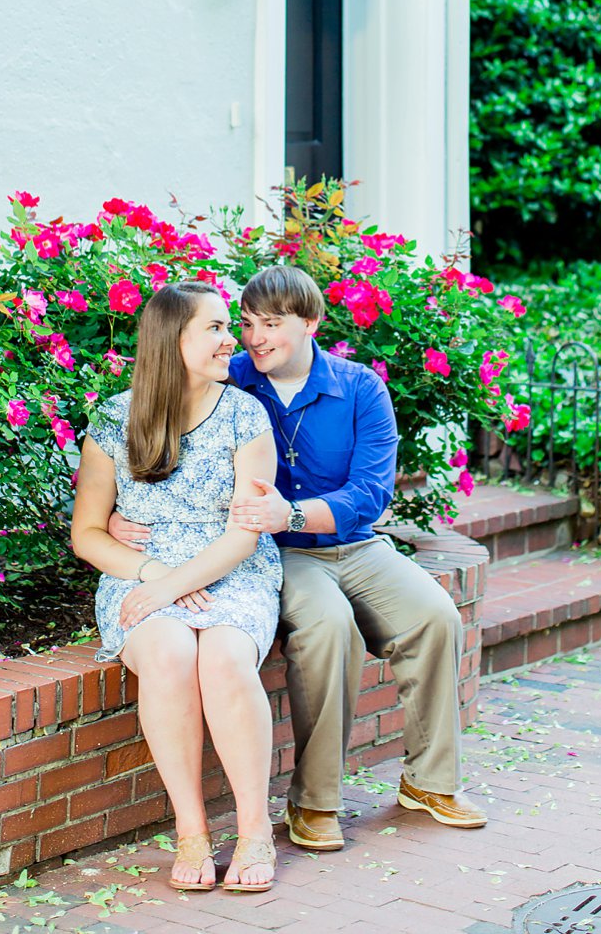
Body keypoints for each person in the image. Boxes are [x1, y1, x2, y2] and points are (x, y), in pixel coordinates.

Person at [109, 264, 487, 852]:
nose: (254, 337)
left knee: (436, 617)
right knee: (328, 626)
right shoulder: (228, 378)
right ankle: (313, 802)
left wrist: (296, 513)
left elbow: (371, 493)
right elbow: (160, 440)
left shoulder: (359, 388)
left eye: (273, 324)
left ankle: (429, 782)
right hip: (279, 556)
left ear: (311, 323)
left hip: (353, 543)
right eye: (248, 323)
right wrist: (117, 516)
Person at [70, 280, 283, 894]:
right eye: (214, 328)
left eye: (227, 326)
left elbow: (245, 533)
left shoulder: (246, 412)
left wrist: (178, 584)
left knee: (221, 658)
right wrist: (156, 579)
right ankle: (191, 829)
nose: (230, 340)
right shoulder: (114, 416)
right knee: (166, 653)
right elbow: (88, 533)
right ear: (173, 340)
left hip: (231, 571)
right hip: (142, 573)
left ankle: (252, 828)